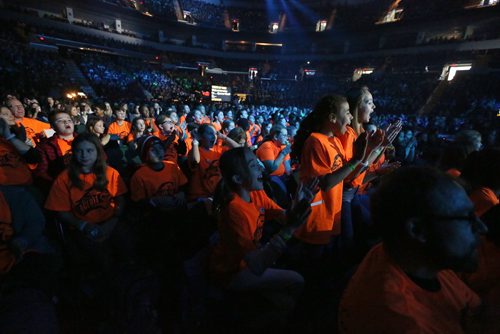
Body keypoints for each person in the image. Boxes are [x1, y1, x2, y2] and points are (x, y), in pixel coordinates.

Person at [339, 167, 487, 333]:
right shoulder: (402, 321)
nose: (482, 227)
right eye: (467, 218)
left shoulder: (413, 258)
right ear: (417, 230)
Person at [209, 147, 316, 329]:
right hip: (232, 273)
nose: (260, 167)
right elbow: (256, 266)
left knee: (285, 299)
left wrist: (299, 203)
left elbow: (284, 217)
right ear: (237, 179)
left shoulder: (256, 193)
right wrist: (291, 227)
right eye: (253, 165)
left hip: (251, 260)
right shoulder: (235, 210)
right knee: (297, 281)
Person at [290, 94, 382, 253]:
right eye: (347, 112)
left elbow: (346, 178)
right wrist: (355, 160)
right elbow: (324, 183)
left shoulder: (336, 141)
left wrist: (370, 150)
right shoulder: (315, 141)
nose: (351, 116)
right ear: (332, 117)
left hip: (331, 214)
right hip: (316, 218)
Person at [44, 133, 129, 273]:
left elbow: (120, 199)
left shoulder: (110, 172)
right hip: (82, 227)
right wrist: (84, 226)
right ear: (73, 153)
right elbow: (61, 211)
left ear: (97, 152)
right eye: (79, 151)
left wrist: (113, 221)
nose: (84, 155)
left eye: (89, 151)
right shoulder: (63, 179)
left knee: (127, 247)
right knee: (101, 259)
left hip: (111, 221)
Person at [34, 111, 75, 194]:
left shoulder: (86, 140)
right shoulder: (46, 146)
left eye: (69, 120)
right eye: (60, 120)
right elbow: (41, 173)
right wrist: (57, 185)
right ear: (53, 127)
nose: (66, 122)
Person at [0, 110, 40, 186]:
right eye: (5, 114)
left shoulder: (18, 135)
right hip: (5, 189)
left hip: (28, 184)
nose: (11, 116)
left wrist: (10, 137)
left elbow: (34, 158)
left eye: (11, 113)